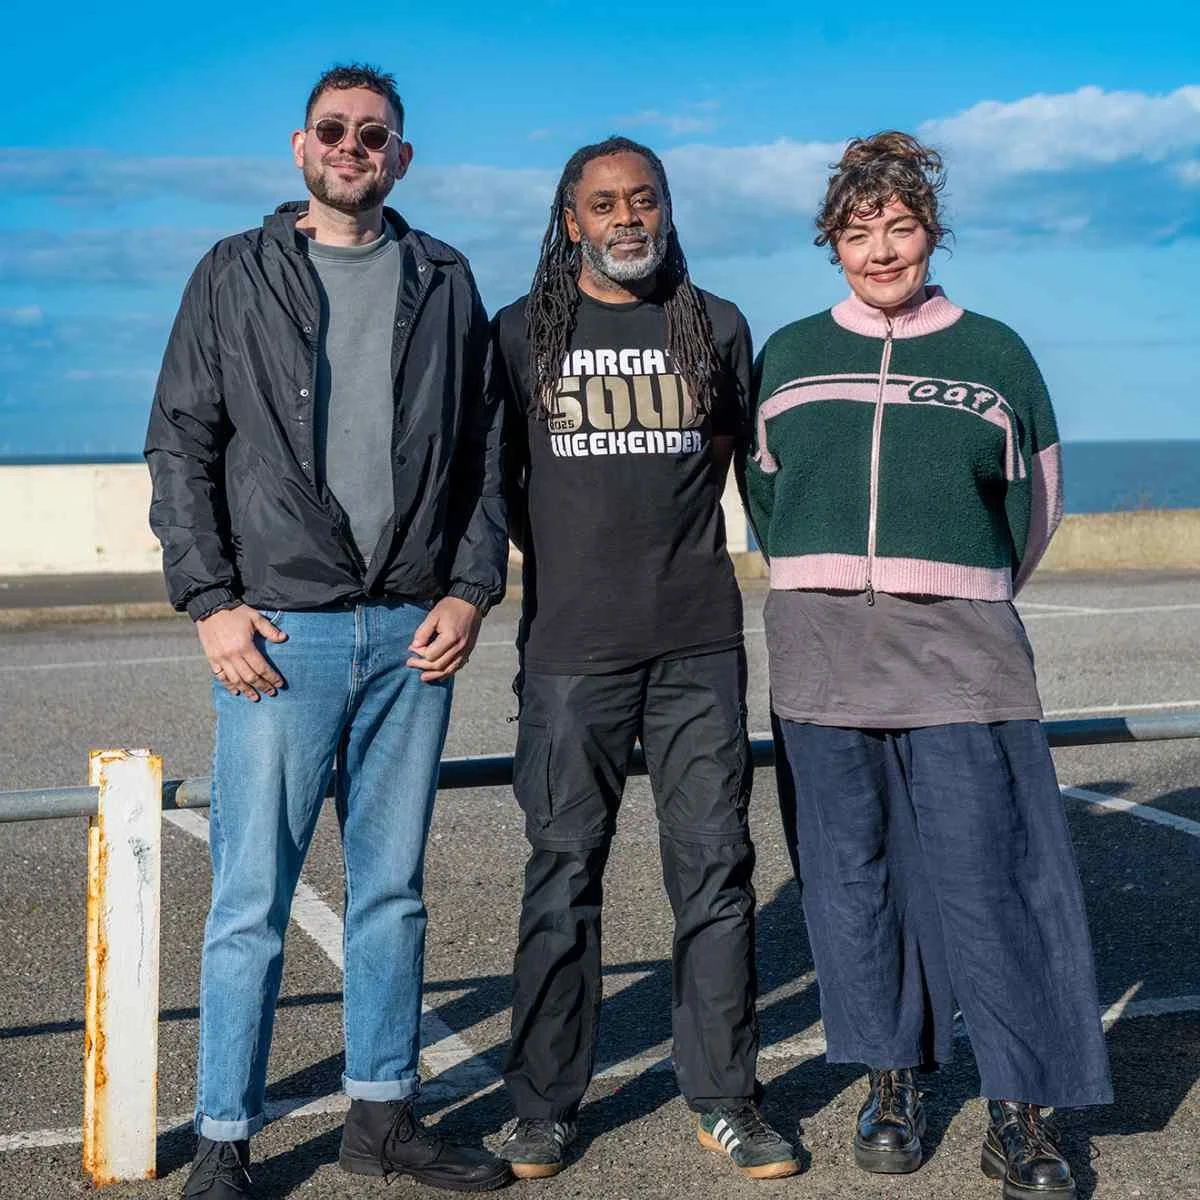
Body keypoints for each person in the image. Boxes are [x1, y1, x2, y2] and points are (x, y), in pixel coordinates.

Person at [145, 63, 511, 1198]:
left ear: (401, 158)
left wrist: (469, 589)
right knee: (252, 900)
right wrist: (210, 604)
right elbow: (181, 445)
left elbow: (485, 456)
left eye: (375, 135)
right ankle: (224, 1138)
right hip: (280, 639)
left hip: (412, 636)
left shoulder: (445, 279)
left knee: (393, 894)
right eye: (334, 131)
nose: (354, 147)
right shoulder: (234, 273)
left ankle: (384, 1121)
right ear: (300, 148)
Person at [744, 131, 1112, 1198]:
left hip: (962, 653)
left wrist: (959, 585)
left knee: (991, 882)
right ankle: (891, 1081)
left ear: (931, 233)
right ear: (833, 245)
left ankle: (1022, 1114)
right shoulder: (791, 354)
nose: (882, 249)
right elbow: (767, 496)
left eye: (900, 228)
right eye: (859, 233)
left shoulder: (994, 352)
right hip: (820, 655)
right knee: (855, 886)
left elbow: (1032, 506)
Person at [490, 136, 800, 1182]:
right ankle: (541, 1107)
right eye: (604, 204)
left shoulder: (715, 326)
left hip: (696, 646)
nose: (627, 217)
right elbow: (499, 492)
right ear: (570, 219)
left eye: (645, 199)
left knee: (714, 871)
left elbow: (722, 461)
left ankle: (724, 1096)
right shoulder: (518, 335)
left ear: (667, 209)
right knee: (563, 872)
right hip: (572, 652)